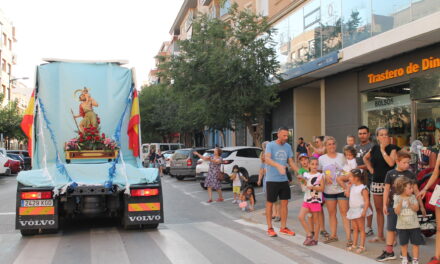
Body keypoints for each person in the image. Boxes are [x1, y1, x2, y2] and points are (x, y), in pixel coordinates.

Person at [376, 151, 426, 262]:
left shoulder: (410, 174)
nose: (407, 165)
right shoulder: (390, 173)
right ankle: (389, 252)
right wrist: (384, 204)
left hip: (408, 209)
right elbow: (386, 190)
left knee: (405, 230)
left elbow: (416, 190)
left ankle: (405, 254)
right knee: (391, 228)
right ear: (397, 161)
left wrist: (421, 207)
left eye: (408, 162)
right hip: (393, 206)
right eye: (404, 162)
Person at [364, 127, 400, 243]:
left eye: (386, 134)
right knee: (379, 210)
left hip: (389, 183)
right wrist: (370, 169)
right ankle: (380, 235)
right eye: (382, 135)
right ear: (378, 137)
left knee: (390, 210)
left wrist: (383, 149)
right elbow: (365, 158)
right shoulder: (374, 148)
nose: (384, 136)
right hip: (376, 182)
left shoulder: (392, 148)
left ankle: (392, 237)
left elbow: (391, 163)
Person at [264, 127, 299, 237]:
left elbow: (291, 162)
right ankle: (270, 228)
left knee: (285, 203)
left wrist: (301, 172)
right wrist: (278, 165)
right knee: (270, 203)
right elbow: (267, 159)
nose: (285, 138)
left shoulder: (288, 146)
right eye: (283, 135)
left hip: (283, 180)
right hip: (272, 179)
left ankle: (283, 227)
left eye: (287, 136)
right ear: (278, 134)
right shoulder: (270, 145)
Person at [394, 177, 425, 264]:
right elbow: (397, 211)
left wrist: (410, 204)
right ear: (402, 188)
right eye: (410, 188)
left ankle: (415, 259)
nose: (412, 190)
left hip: (414, 225)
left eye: (412, 187)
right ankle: (404, 258)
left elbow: (416, 208)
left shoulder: (413, 197)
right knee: (404, 243)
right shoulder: (396, 197)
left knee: (416, 243)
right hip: (402, 225)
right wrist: (400, 202)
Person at [417, 153, 440, 264]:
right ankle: (437, 257)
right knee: (439, 228)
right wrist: (425, 189)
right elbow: (435, 174)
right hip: (439, 191)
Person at [298, 157, 324, 246]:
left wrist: (313, 187)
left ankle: (315, 239)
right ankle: (309, 234)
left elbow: (322, 188)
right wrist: (302, 181)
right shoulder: (306, 174)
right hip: (307, 199)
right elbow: (304, 187)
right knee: (301, 216)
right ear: (308, 165)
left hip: (316, 200)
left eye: (316, 164)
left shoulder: (320, 175)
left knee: (316, 221)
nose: (314, 166)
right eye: (312, 164)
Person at [345, 169, 372, 254]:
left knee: (361, 228)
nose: (349, 178)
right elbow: (347, 195)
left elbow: (367, 201)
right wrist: (348, 187)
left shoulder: (363, 188)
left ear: (356, 178)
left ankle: (362, 246)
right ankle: (354, 244)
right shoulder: (353, 186)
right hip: (353, 210)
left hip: (359, 210)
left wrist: (364, 211)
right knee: (355, 228)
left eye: (350, 177)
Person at [355, 125, 374, 237]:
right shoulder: (356, 147)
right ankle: (358, 226)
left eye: (364, 133)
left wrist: (359, 168)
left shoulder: (372, 147)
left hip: (368, 178)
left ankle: (369, 227)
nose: (362, 135)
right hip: (357, 179)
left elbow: (371, 164)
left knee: (367, 201)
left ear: (368, 134)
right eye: (360, 133)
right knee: (358, 202)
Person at [258, 141, 280, 221]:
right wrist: (259, 179)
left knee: (276, 198)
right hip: (268, 182)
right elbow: (261, 172)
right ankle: (274, 213)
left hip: (275, 180)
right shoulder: (264, 162)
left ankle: (278, 214)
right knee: (272, 198)